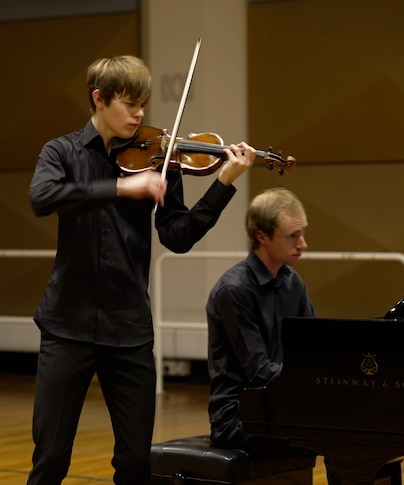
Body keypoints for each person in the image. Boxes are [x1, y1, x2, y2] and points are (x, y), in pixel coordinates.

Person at [27, 54, 256, 485]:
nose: (139, 115)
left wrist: (223, 183)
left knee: (135, 464)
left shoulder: (159, 157)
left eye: (143, 105)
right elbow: (42, 197)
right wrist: (118, 186)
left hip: (129, 329)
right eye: (130, 104)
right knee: (52, 457)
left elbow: (178, 236)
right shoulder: (61, 152)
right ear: (99, 99)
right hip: (68, 326)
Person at [205, 187, 343, 484]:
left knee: (359, 426)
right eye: (293, 236)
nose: (303, 244)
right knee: (338, 432)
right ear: (262, 236)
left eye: (303, 233)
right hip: (238, 415)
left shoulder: (293, 283)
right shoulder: (234, 290)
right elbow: (257, 370)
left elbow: (316, 348)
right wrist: (311, 388)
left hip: (282, 403)